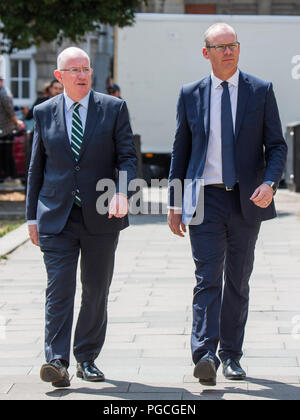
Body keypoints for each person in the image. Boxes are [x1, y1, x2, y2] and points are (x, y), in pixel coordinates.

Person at [168, 23, 287, 386]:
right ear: (206, 53)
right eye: (220, 47)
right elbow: (181, 150)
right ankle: (205, 354)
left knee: (237, 279)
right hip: (205, 197)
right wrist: (175, 205)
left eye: (233, 45)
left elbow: (277, 146)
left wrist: (269, 182)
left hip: (246, 199)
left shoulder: (260, 90)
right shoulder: (191, 94)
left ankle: (231, 355)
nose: (228, 51)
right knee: (207, 278)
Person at [26, 47, 137, 387]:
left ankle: (86, 358)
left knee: (95, 289)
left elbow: (127, 157)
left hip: (101, 216)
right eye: (73, 69)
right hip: (56, 217)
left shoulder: (113, 108)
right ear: (59, 77)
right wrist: (32, 217)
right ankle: (56, 361)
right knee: (59, 289)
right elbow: (36, 168)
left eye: (85, 68)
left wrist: (121, 191)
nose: (81, 74)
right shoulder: (44, 112)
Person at [0, 76, 23, 186]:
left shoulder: (4, 94)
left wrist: (17, 122)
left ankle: (12, 177)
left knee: (7, 154)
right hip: (3, 129)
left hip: (6, 129)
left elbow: (10, 111)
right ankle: (8, 177)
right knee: (4, 154)